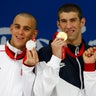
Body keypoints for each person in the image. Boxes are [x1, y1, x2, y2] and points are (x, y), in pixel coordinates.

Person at [0, 12, 65, 96]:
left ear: (34, 34)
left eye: (26, 29)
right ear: (11, 29)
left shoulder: (37, 62)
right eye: (17, 27)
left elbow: (40, 94)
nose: (20, 32)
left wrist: (28, 69)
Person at [37, 3, 91, 96]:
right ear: (58, 24)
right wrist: (55, 58)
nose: (68, 26)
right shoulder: (45, 53)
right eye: (64, 21)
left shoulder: (91, 53)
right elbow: (40, 93)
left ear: (82, 22)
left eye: (73, 20)